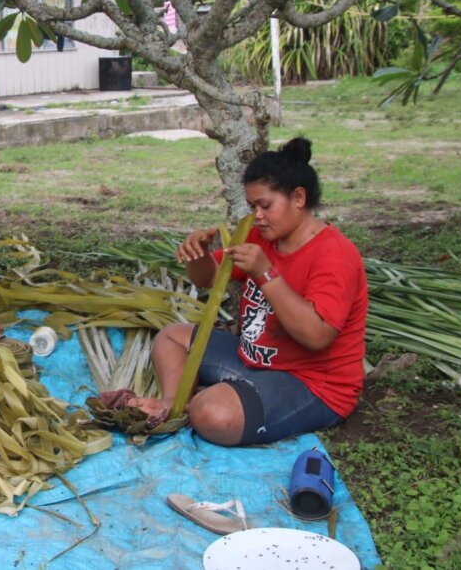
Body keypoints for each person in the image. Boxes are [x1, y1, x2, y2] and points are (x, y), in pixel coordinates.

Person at [129, 137, 368, 446]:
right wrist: (198, 255)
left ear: (298, 198)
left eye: (265, 205)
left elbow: (317, 336)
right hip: (255, 360)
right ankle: (173, 405)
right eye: (253, 206)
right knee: (171, 337)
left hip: (311, 384)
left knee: (213, 414)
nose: (257, 215)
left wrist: (266, 273)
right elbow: (209, 279)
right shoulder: (262, 235)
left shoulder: (334, 254)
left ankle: (200, 406)